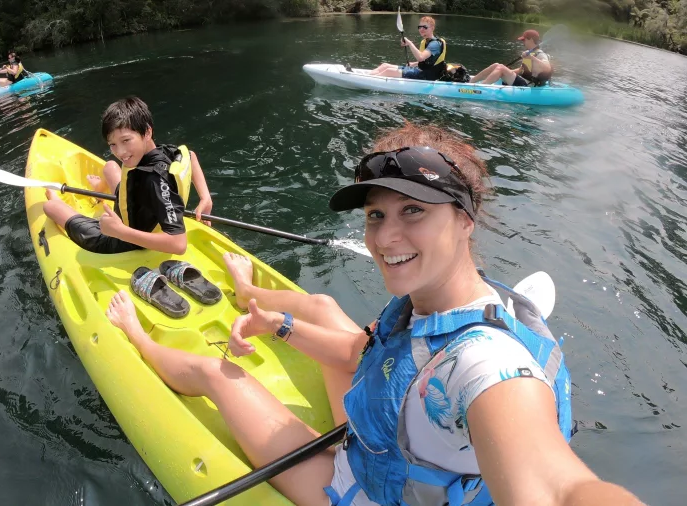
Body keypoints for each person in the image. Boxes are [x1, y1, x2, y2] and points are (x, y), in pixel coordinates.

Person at [102, 123, 644, 505]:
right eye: (376, 214)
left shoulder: (487, 367)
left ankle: (137, 335)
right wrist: (278, 327)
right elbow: (359, 353)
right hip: (391, 441)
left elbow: (556, 488)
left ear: (464, 220)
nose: (385, 237)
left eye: (413, 211)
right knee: (322, 306)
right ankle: (254, 299)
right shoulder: (450, 302)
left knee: (217, 372)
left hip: (360, 488)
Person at [43, 96, 213, 255]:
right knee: (110, 166)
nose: (120, 152)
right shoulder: (165, 151)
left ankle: (60, 203)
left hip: (125, 240)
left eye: (126, 140)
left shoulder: (154, 180)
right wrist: (206, 198)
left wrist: (120, 231)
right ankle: (99, 189)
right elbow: (190, 156)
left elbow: (178, 244)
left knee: (49, 207)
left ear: (147, 132)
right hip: (135, 202)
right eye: (113, 144)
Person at [370, 16, 447, 81]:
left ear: (432, 28)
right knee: (385, 65)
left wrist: (409, 43)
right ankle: (368, 75)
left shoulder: (435, 44)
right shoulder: (425, 41)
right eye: (420, 27)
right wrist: (414, 64)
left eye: (425, 27)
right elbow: (428, 61)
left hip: (427, 76)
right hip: (421, 70)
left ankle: (369, 80)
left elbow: (420, 57)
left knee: (388, 71)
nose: (421, 29)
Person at [470, 29, 553, 87]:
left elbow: (547, 68)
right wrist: (506, 71)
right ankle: (470, 82)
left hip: (528, 84)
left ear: (530, 39)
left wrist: (531, 57)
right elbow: (522, 70)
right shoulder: (531, 52)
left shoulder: (541, 54)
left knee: (501, 68)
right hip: (522, 80)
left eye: (524, 40)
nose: (523, 43)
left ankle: (480, 88)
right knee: (496, 65)